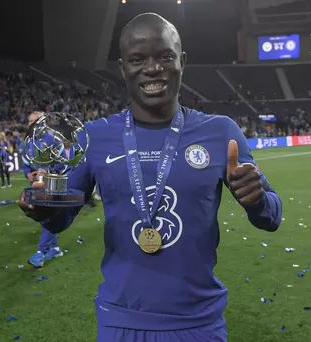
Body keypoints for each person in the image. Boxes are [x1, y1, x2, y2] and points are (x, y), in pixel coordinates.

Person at [18, 13, 282, 341]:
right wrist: (45, 207)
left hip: (198, 323)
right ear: (122, 67)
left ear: (182, 61)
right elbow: (64, 213)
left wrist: (257, 201)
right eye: (137, 59)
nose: (152, 68)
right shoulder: (96, 136)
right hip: (120, 322)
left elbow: (272, 217)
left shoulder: (220, 132)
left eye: (165, 56)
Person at [24, 111, 63, 267]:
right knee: (44, 217)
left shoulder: (54, 140)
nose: (31, 123)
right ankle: (54, 248)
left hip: (53, 182)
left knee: (48, 217)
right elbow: (25, 166)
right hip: (37, 183)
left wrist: (49, 171)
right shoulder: (27, 143)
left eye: (35, 120)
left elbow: (64, 162)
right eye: (29, 121)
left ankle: (40, 253)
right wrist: (29, 175)